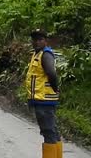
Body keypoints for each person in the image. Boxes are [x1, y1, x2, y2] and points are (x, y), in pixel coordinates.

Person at [25, 29, 62, 158]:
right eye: (34, 40)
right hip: (42, 99)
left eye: (40, 39)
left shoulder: (45, 54)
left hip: (44, 100)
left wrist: (55, 88)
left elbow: (51, 73)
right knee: (52, 131)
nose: (36, 42)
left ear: (46, 41)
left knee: (48, 131)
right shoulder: (37, 54)